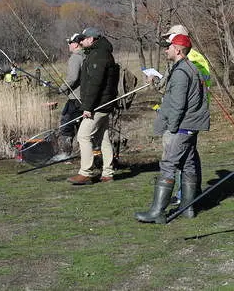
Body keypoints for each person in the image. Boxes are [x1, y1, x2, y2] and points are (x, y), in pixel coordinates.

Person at [135, 34, 210, 223]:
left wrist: (172, 128)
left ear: (177, 49)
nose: (165, 50)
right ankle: (187, 208)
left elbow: (177, 105)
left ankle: (157, 212)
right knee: (188, 164)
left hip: (182, 127)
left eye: (168, 47)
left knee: (168, 165)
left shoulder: (181, 72)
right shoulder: (191, 68)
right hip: (191, 125)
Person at [67, 27, 119, 185]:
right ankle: (108, 173)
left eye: (83, 39)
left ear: (91, 39)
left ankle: (86, 173)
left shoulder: (98, 55)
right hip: (102, 104)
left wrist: (87, 107)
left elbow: (95, 84)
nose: (81, 41)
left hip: (98, 105)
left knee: (83, 135)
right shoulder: (99, 53)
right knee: (103, 139)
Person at [57, 33, 85, 154]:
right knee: (83, 126)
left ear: (76, 44)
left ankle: (66, 154)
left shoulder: (75, 57)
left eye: (70, 42)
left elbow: (73, 78)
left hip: (76, 99)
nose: (68, 45)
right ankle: (88, 154)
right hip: (86, 98)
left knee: (66, 125)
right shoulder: (87, 55)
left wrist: (62, 88)